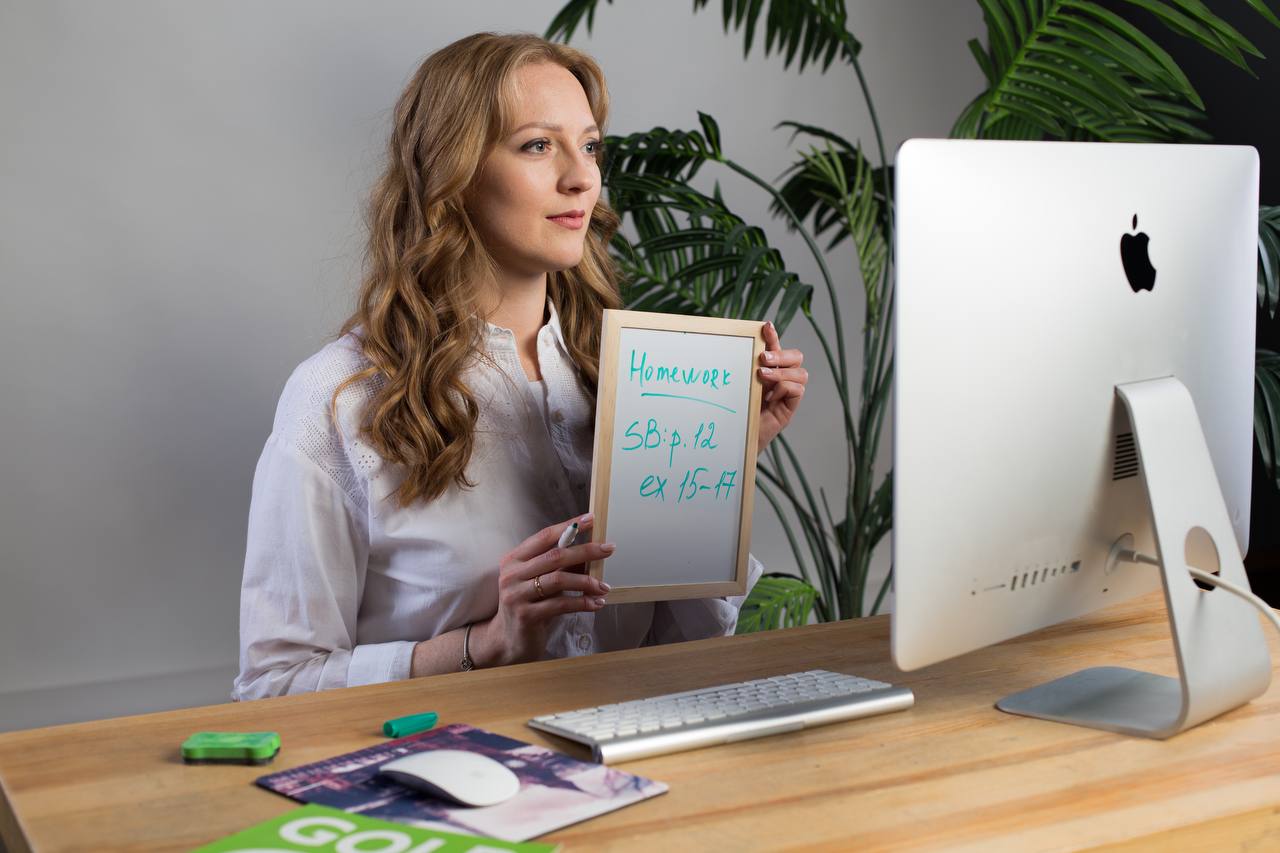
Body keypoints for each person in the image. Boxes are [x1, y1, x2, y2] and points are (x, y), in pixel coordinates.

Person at [232, 32, 809, 700]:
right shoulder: (339, 396)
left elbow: (683, 648)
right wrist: (485, 644)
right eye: (538, 145)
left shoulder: (629, 377)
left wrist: (717, 466)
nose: (581, 177)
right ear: (453, 173)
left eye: (590, 146)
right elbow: (274, 685)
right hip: (444, 758)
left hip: (631, 748)